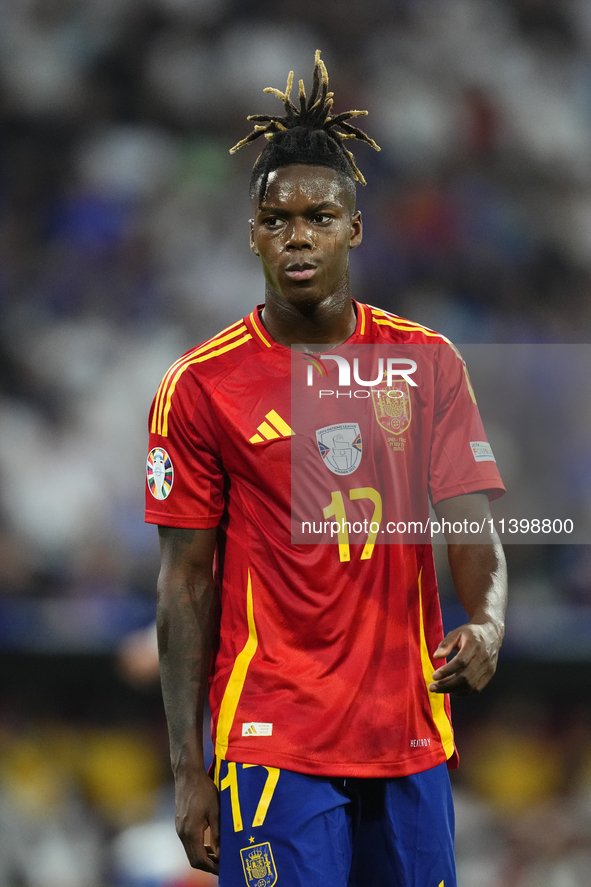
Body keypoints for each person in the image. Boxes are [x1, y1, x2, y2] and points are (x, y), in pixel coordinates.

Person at [145, 51, 507, 887]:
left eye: (318, 216)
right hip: (275, 736)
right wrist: (186, 765)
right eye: (276, 218)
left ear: (354, 228)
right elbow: (184, 585)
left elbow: (472, 526)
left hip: (409, 727)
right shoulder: (201, 385)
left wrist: (486, 623)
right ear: (251, 233)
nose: (297, 235)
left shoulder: (428, 363)